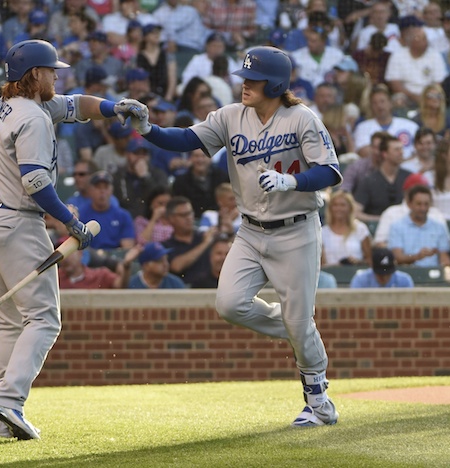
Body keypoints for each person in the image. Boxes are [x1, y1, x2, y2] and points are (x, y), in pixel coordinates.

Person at [128, 46, 342, 427]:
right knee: (229, 304)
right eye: (243, 78)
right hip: (250, 230)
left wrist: (291, 180)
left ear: (275, 83)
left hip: (296, 230)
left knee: (297, 321)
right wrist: (148, 129)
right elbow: (186, 139)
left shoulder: (302, 119)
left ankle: (318, 400)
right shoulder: (231, 116)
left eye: (253, 80)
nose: (244, 85)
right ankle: (299, 326)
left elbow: (330, 172)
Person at [0, 39, 147, 440]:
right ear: (34, 76)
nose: (57, 76)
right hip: (15, 222)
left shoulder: (10, 105)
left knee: (12, 319)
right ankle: (10, 401)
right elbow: (36, 181)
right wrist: (70, 221)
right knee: (44, 318)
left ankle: (2, 417)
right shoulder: (33, 116)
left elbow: (76, 104)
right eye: (51, 70)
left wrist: (113, 107)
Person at [373, 173, 447, 247]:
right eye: (418, 191)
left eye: (425, 190)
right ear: (406, 193)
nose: (422, 194)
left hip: (430, 256)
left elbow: (446, 243)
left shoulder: (436, 213)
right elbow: (379, 243)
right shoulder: (391, 213)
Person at [388, 185, 450, 267]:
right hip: (409, 271)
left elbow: (444, 255)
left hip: (434, 274)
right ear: (409, 204)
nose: (423, 208)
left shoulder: (439, 227)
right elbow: (397, 257)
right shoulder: (397, 227)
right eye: (419, 204)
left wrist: (445, 264)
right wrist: (417, 256)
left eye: (426, 204)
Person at [385, 26, 447, 109]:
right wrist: (414, 97)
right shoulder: (398, 55)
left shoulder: (435, 55)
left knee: (437, 97)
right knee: (398, 100)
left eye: (425, 38)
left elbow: (438, 82)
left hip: (429, 94)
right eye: (421, 39)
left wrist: (426, 97)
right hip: (405, 95)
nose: (426, 42)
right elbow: (395, 83)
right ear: (411, 41)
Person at [352, 84, 419, 160]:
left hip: (408, 167)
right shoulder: (362, 127)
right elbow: (363, 152)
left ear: (390, 103)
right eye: (375, 103)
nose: (379, 106)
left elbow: (418, 151)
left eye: (382, 101)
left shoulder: (410, 126)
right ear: (371, 106)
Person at [354, 135, 412, 221]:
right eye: (397, 149)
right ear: (385, 154)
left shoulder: (409, 178)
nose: (401, 152)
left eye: (401, 149)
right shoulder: (369, 181)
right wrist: (383, 220)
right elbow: (356, 213)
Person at [80, 170, 136, 250]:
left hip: (116, 258)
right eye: (98, 187)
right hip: (91, 258)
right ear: (90, 191)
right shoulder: (82, 215)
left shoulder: (123, 216)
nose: (102, 191)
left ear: (111, 191)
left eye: (106, 187)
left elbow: (127, 247)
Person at [112, 139, 168, 219]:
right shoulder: (118, 176)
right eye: (136, 153)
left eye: (144, 154)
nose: (140, 158)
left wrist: (145, 177)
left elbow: (160, 198)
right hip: (126, 219)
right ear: (127, 155)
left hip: (152, 219)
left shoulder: (159, 174)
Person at [171, 148, 230, 218]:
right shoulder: (180, 182)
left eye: (203, 156)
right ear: (190, 158)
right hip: (191, 221)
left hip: (220, 219)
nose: (200, 160)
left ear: (211, 158)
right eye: (196, 156)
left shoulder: (223, 177)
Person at [321, 191, 372, 267]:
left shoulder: (361, 228)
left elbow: (369, 259)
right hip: (331, 273)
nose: (339, 208)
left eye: (343, 205)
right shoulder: (322, 232)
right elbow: (322, 264)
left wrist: (358, 262)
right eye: (335, 205)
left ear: (350, 208)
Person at [58, 243, 139, 289]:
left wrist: (126, 265)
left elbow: (121, 285)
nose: (65, 258)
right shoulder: (54, 277)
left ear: (80, 254)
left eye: (69, 253)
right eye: (62, 254)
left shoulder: (101, 276)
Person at [349, 247, 414, 288]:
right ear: (372, 266)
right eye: (380, 274)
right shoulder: (360, 280)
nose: (384, 277)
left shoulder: (404, 280)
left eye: (387, 273)